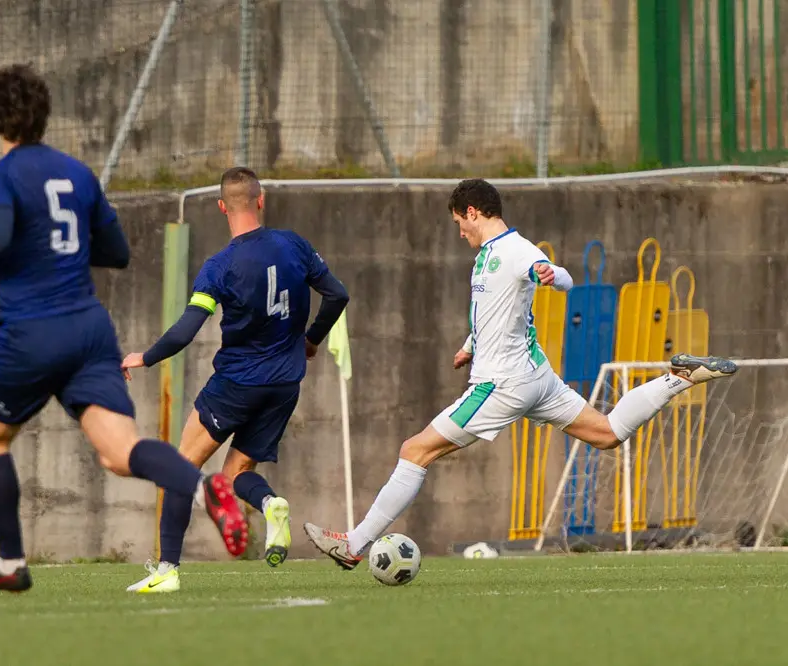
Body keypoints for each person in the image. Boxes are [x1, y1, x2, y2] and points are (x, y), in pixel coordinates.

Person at [303, 178, 737, 568]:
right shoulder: (490, 255)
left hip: (504, 384)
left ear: (473, 212)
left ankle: (355, 545)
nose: (460, 231)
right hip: (536, 376)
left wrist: (550, 274)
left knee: (415, 450)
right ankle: (680, 378)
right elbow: (497, 309)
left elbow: (558, 276)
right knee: (607, 433)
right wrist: (470, 345)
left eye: (460, 222)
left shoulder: (514, 249)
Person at [0, 64, 248, 593]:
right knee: (119, 451)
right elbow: (117, 253)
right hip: (89, 331)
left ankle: (10, 563)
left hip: (33, 333)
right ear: (43, 116)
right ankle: (202, 489)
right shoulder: (79, 174)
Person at [122, 167, 349, 593]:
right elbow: (338, 294)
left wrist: (144, 357)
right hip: (285, 382)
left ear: (222, 207)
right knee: (235, 472)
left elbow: (186, 330)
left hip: (237, 383)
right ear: (260, 200)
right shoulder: (294, 244)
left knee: (180, 466)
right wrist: (312, 341)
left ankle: (167, 569)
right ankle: (270, 504)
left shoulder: (220, 266)